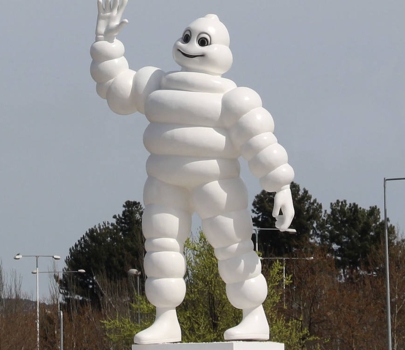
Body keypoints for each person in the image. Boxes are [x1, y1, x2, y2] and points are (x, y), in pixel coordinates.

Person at [89, 0, 295, 344]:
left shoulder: (234, 98)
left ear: (221, 52)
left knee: (234, 245)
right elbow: (115, 88)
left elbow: (260, 140)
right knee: (161, 248)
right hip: (164, 182)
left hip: (217, 182)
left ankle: (254, 313)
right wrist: (106, 43)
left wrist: (280, 185)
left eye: (202, 41)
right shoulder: (157, 84)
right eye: (187, 36)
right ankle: (166, 317)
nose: (189, 45)